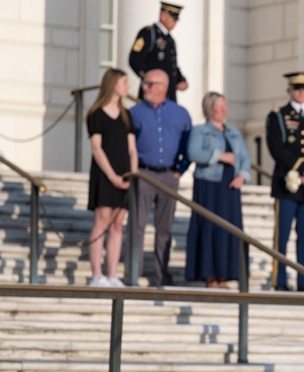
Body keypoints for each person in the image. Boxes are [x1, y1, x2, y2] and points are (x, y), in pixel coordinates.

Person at [128, 69, 191, 286]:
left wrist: (180, 170)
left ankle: (161, 275)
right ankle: (132, 274)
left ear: (163, 87)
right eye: (144, 83)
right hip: (143, 174)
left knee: (165, 229)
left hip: (168, 175)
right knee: (137, 225)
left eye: (149, 83)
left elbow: (188, 144)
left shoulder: (180, 113)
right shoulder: (134, 112)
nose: (144, 87)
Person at [265, 71, 304, 292]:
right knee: (281, 236)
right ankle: (279, 279)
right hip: (287, 186)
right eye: (297, 88)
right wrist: (302, 169)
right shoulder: (278, 116)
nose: (301, 92)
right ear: (289, 90)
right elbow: (276, 148)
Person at [184, 92, 251, 289]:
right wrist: (219, 156)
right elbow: (193, 153)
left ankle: (224, 275)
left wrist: (243, 175)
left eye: (225, 106)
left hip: (230, 186)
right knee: (210, 227)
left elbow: (245, 158)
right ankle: (210, 275)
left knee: (229, 228)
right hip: (209, 186)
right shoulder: (200, 131)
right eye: (219, 107)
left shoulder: (233, 132)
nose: (223, 111)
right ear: (209, 109)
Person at [85, 68, 138, 288]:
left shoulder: (127, 115)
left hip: (124, 175)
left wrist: (132, 175)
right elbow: (96, 149)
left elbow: (132, 149)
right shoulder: (97, 114)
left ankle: (112, 274)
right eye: (124, 82)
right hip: (105, 174)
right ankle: (97, 274)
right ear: (113, 84)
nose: (127, 87)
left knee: (118, 224)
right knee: (102, 222)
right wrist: (113, 177)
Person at [129, 1, 188, 102]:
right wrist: (149, 80)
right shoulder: (148, 33)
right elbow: (134, 60)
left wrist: (180, 79)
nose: (175, 22)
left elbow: (171, 65)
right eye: (173, 18)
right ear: (163, 15)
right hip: (151, 94)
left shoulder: (170, 39)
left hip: (168, 95)